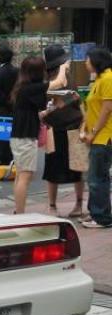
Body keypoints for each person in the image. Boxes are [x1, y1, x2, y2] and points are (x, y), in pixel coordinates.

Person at [10, 55, 68, 214]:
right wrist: (63, 67)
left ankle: (18, 212)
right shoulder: (31, 88)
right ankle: (20, 215)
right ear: (37, 72)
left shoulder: (24, 87)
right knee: (25, 177)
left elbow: (37, 114)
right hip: (25, 137)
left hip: (19, 136)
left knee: (21, 176)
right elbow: (60, 82)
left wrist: (56, 107)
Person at [42, 44, 84, 218]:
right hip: (55, 129)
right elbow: (52, 93)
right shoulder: (48, 81)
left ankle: (79, 204)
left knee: (77, 168)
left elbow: (72, 98)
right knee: (53, 170)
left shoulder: (68, 76)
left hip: (72, 126)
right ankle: (52, 206)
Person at [80, 47, 112, 228]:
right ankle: (95, 213)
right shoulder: (99, 78)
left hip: (104, 136)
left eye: (88, 59)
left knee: (97, 179)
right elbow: (94, 108)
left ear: (97, 60)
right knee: (96, 178)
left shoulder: (108, 78)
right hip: (97, 136)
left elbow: (107, 109)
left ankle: (102, 218)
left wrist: (93, 132)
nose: (85, 62)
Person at [0, 45, 18, 167]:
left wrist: (6, 103)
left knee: (1, 136)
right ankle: (13, 159)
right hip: (13, 108)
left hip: (0, 109)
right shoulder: (16, 71)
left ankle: (4, 161)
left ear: (0, 57)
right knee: (12, 135)